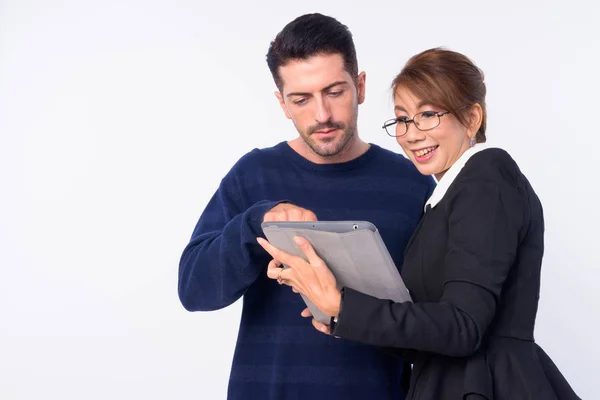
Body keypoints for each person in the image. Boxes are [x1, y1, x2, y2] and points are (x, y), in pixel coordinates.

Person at [258, 48, 581, 399]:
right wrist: (341, 318)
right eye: (402, 119)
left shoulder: (487, 176)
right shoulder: (445, 199)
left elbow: (463, 328)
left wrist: (345, 306)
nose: (411, 134)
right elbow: (432, 339)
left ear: (472, 118)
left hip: (489, 386)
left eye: (427, 114)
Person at [178, 13, 435, 400]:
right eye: (301, 99)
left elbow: (435, 322)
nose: (322, 115)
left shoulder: (413, 183)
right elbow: (193, 290)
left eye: (335, 92)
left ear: (360, 86)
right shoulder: (254, 175)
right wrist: (254, 224)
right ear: (282, 103)